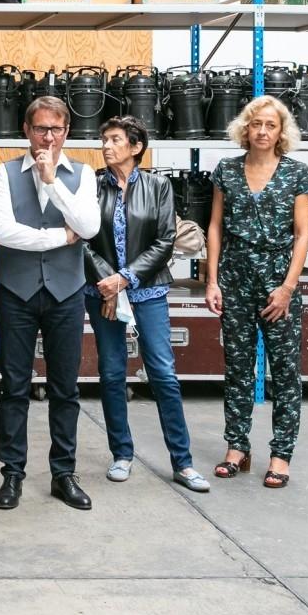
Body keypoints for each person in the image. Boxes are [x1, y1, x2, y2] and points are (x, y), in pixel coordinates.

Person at [83, 116, 209, 493]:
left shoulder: (158, 186)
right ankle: (122, 454)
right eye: (104, 140)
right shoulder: (91, 184)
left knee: (163, 373)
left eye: (115, 140)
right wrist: (108, 284)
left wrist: (124, 279)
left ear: (136, 147)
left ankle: (183, 462)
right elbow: (81, 238)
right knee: (111, 372)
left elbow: (166, 240)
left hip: (148, 289)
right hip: (102, 291)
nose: (106, 146)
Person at [0, 95, 101, 511]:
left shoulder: (83, 175)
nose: (48, 137)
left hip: (66, 294)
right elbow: (3, 232)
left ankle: (63, 474)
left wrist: (52, 180)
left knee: (65, 389)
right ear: (26, 130)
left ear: (66, 132)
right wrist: (60, 237)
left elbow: (88, 226)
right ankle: (12, 474)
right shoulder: (4, 173)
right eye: (40, 129)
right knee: (14, 387)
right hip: (15, 293)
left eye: (55, 129)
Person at [205, 96, 308, 489]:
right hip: (235, 279)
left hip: (278, 283)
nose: (262, 131)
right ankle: (237, 447)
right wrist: (212, 280)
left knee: (284, 371)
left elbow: (302, 235)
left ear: (281, 132)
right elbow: (215, 227)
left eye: (270, 125)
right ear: (245, 128)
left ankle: (281, 453)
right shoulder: (227, 170)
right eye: (256, 124)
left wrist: (287, 288)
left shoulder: (296, 173)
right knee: (237, 367)